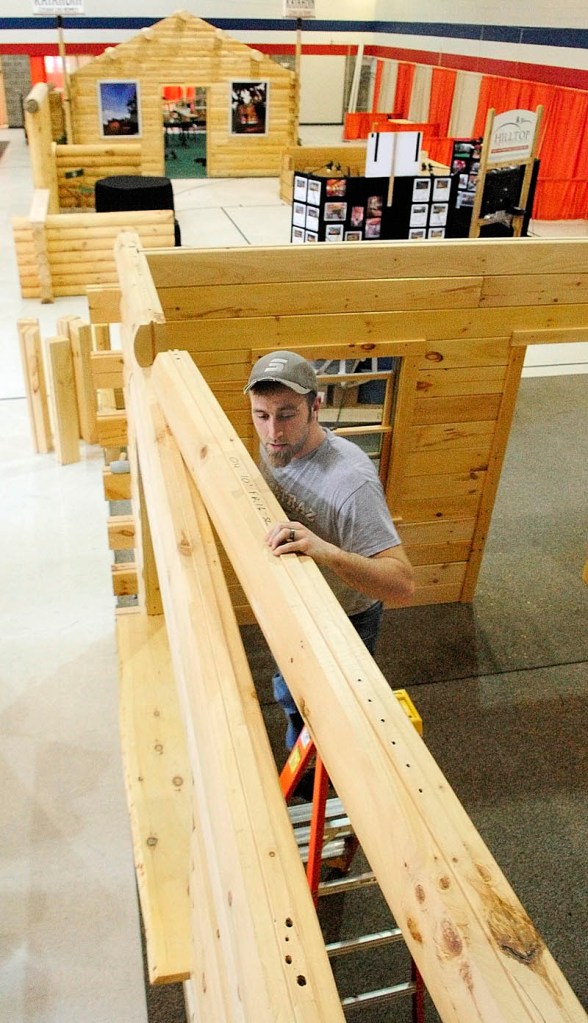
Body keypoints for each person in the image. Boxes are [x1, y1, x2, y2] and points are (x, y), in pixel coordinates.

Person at [244, 350, 415, 754]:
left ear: (315, 406)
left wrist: (327, 552)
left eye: (286, 415)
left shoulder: (350, 482)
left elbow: (402, 583)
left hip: (345, 617)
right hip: (300, 599)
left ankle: (323, 780)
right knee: (292, 694)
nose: (272, 432)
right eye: (261, 415)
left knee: (332, 717)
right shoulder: (274, 448)